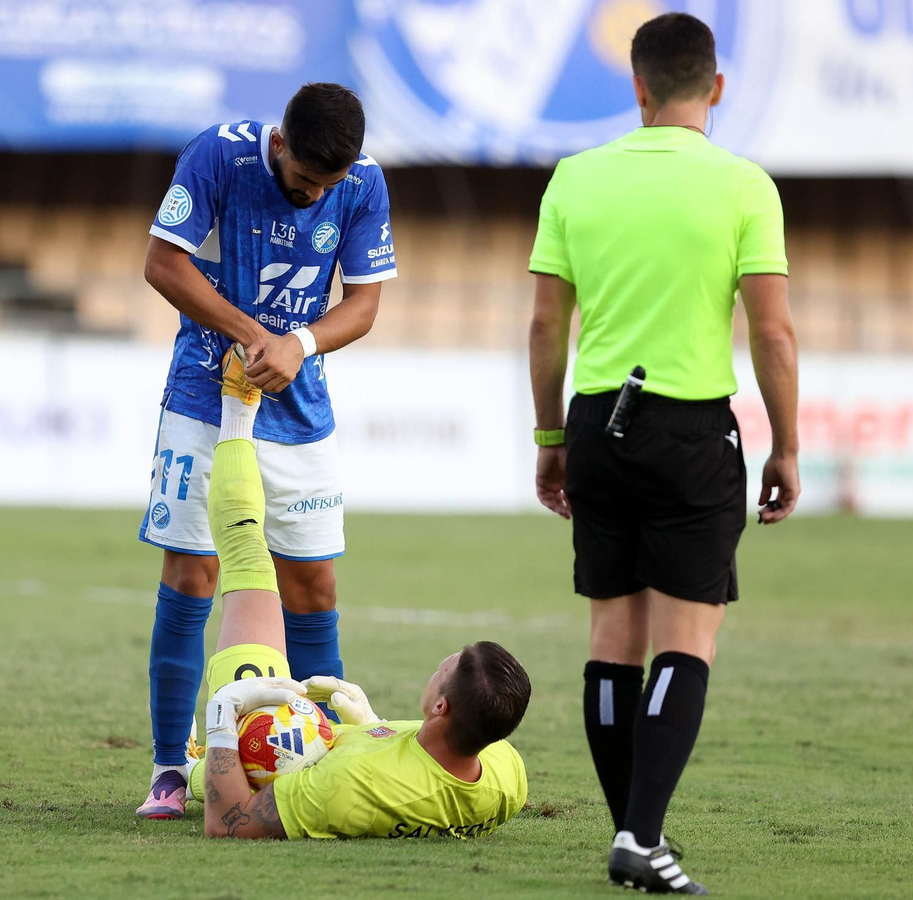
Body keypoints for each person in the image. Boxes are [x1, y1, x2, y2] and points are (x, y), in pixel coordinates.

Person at [527, 12, 799, 895]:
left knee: (613, 640)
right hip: (690, 429)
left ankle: (634, 834)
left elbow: (543, 326)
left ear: (636, 87)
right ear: (715, 87)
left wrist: (550, 438)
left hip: (598, 422)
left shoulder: (575, 177)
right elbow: (774, 333)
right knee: (689, 637)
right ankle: (641, 836)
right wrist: (787, 446)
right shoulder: (745, 184)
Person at [135, 83, 397, 820]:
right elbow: (162, 263)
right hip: (202, 393)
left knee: (313, 587)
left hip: (298, 405)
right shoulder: (219, 155)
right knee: (193, 570)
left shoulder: (363, 182)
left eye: (330, 185)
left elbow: (366, 302)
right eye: (308, 182)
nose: (318, 195)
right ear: (280, 145)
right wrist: (253, 334)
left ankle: (331, 754)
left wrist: (300, 343)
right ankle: (168, 768)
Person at [185, 349, 529, 840]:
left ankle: (238, 409)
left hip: (286, 761)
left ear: (440, 707)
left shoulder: (351, 786)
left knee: (247, 554)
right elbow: (431, 767)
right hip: (337, 745)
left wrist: (222, 713)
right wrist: (374, 726)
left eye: (444, 670)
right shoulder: (505, 772)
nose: (438, 666)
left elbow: (229, 823)